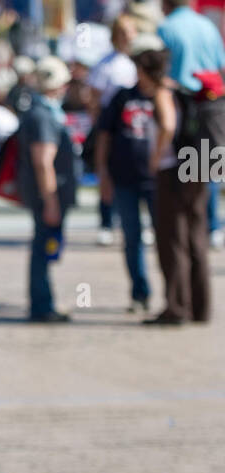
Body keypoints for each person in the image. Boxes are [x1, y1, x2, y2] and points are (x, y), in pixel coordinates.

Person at [157, 0, 225, 258]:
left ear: (166, 2)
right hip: (211, 103)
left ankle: (189, 222)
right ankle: (212, 225)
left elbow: (161, 70)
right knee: (207, 167)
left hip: (183, 104)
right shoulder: (207, 25)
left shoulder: (166, 27)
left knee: (184, 167)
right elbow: (221, 64)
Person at [144, 43, 210, 326]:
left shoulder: (162, 92)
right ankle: (200, 307)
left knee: (173, 240)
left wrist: (156, 158)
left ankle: (176, 307)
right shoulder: (184, 89)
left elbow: (168, 125)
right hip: (197, 164)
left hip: (173, 170)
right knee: (196, 236)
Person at [95, 41, 162, 313]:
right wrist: (102, 172)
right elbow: (104, 135)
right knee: (132, 237)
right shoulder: (122, 96)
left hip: (158, 180)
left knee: (166, 238)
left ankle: (174, 293)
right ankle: (140, 292)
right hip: (124, 177)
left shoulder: (164, 97)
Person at [17, 56, 77, 323]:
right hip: (48, 194)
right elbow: (43, 162)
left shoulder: (43, 111)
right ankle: (42, 305)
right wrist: (51, 200)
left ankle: (44, 302)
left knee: (45, 247)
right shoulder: (43, 115)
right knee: (43, 248)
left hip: (49, 192)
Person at [87, 14, 140, 247]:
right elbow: (94, 99)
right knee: (106, 173)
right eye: (124, 33)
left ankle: (136, 222)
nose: (128, 38)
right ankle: (106, 222)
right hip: (111, 127)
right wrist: (101, 127)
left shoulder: (138, 63)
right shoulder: (105, 64)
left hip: (135, 127)